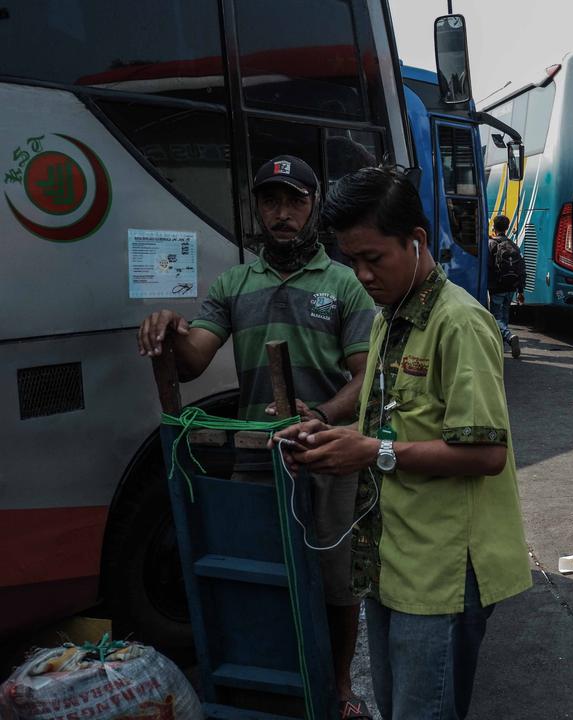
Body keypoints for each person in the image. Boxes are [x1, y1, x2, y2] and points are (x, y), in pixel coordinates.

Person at [273, 166, 531, 720]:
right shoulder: (388, 318)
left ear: (415, 242)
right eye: (352, 261)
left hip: (442, 574)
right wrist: (328, 433)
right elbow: (389, 426)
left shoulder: (459, 323)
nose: (362, 275)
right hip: (391, 561)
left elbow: (487, 454)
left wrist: (370, 452)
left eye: (373, 259)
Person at [137, 155, 375, 718]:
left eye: (295, 200)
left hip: (328, 454)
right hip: (257, 461)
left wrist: (319, 413)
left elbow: (365, 380)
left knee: (336, 584)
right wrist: (169, 328)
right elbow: (193, 362)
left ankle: (338, 687)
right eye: (271, 201)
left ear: (315, 206)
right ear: (258, 209)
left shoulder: (344, 283)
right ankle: (275, 679)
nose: (282, 213)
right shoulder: (233, 283)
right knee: (261, 574)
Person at [487, 214, 524, 358]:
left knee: (496, 317)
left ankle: (509, 337)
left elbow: (488, 266)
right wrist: (520, 290)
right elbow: (521, 269)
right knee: (505, 316)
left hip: (497, 286)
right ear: (507, 228)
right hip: (511, 287)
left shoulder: (491, 244)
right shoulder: (513, 245)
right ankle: (502, 346)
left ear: (494, 227)